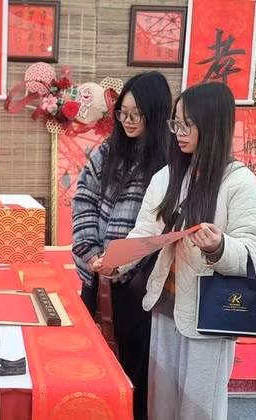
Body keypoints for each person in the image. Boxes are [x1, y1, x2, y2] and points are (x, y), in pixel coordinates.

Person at [110, 82, 256, 419]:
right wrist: (118, 263)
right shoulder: (168, 176)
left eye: (188, 124)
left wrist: (220, 247)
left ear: (212, 126)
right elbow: (145, 232)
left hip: (209, 316)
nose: (178, 133)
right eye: (175, 123)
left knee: (199, 408)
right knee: (162, 405)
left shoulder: (238, 182)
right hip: (164, 307)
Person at [70, 71, 172, 420]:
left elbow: (160, 225)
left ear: (156, 114)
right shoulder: (108, 151)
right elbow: (83, 200)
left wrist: (123, 262)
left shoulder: (170, 162)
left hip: (138, 282)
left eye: (136, 114)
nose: (127, 121)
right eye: (123, 113)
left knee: (134, 363)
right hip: (96, 272)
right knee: (92, 358)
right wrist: (91, 252)